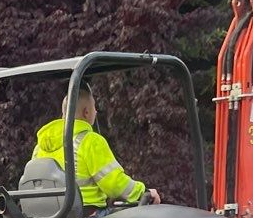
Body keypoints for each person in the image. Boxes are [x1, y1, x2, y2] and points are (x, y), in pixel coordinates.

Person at [34, 82, 159, 211]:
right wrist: (143, 191)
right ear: (86, 112)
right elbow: (114, 183)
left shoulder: (40, 147)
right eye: (94, 107)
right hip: (86, 216)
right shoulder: (90, 141)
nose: (96, 111)